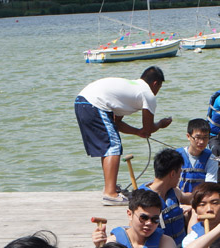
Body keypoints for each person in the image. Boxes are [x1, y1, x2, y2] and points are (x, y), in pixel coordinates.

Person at [74, 66, 173, 206]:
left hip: (82, 101)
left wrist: (137, 132)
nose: (157, 92)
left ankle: (110, 187)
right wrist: (160, 124)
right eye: (159, 87)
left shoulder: (131, 90)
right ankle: (110, 194)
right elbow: (149, 129)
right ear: (155, 83)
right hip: (94, 104)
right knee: (113, 146)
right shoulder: (147, 94)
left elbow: (117, 124)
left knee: (110, 145)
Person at [140, 148, 191, 245]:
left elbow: (189, 198)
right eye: (179, 174)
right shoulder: (143, 198)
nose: (179, 178)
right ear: (172, 174)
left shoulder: (174, 192)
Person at [177, 119, 218, 195]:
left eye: (205, 137)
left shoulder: (211, 158)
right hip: (178, 197)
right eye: (198, 137)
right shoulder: (176, 155)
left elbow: (210, 186)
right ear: (188, 136)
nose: (201, 142)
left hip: (200, 200)